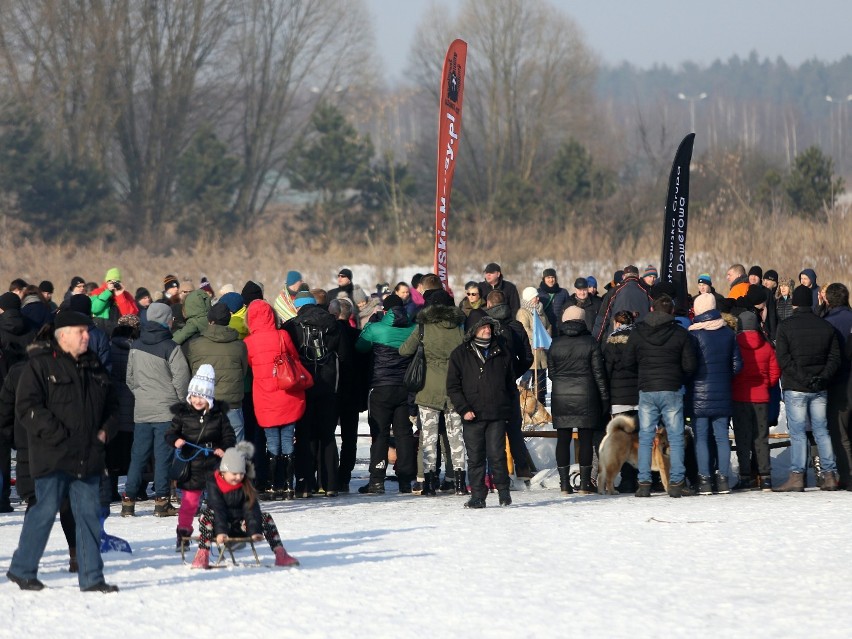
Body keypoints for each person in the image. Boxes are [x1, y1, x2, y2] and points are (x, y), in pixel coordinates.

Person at [6, 310, 119, 592]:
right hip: (53, 455)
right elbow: (27, 407)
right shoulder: (41, 366)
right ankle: (22, 569)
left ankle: (92, 578)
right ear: (63, 335)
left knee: (88, 516)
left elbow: (113, 406)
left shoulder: (94, 365)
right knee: (43, 512)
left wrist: (106, 431)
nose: (86, 336)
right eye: (81, 331)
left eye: (87, 331)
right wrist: (56, 434)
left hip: (89, 455)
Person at [623, 294, 697, 497]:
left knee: (646, 437)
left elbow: (627, 361)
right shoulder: (680, 333)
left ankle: (644, 483)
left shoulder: (638, 332)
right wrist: (678, 377)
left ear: (652, 310)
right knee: (675, 436)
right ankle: (677, 482)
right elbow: (690, 365)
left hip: (647, 389)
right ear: (672, 312)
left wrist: (643, 375)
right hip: (672, 389)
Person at [122, 302, 191, 517]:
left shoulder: (135, 346)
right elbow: (182, 381)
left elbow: (130, 379)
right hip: (166, 411)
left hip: (142, 410)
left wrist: (142, 396)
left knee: (138, 456)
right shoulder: (171, 347)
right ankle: (161, 501)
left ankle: (129, 501)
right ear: (166, 321)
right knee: (163, 457)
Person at [399, 286, 467, 496]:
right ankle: (459, 484)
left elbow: (404, 350)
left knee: (428, 439)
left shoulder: (422, 328)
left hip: (428, 389)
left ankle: (429, 484)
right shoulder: (459, 327)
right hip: (454, 388)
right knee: (456, 437)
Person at [773, 285, 841, 492]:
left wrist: (804, 378)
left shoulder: (785, 326)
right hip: (819, 387)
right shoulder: (826, 326)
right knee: (822, 430)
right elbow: (834, 357)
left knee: (798, 432)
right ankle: (829, 474)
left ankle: (797, 476)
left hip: (796, 386)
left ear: (794, 303)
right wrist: (821, 378)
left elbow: (784, 359)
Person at [189, 442, 299, 569]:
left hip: (240, 525)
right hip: (220, 527)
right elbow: (218, 509)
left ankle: (280, 553)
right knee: (207, 515)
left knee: (265, 517)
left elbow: (251, 508)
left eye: (241, 473)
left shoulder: (245, 484)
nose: (238, 477)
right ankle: (203, 554)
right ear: (224, 471)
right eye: (234, 474)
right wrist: (221, 532)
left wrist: (254, 530)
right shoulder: (214, 484)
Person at [447, 310, 516, 508]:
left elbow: (510, 383)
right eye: (483, 327)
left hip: (497, 412)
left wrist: (508, 406)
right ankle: (478, 496)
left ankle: (504, 492)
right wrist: (463, 409)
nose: (487, 330)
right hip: (472, 415)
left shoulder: (502, 350)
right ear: (473, 330)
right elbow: (453, 386)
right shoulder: (460, 354)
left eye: (489, 327)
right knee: (475, 457)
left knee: (497, 454)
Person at [166, 364, 235, 552]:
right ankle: (183, 533)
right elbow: (170, 434)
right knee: (189, 504)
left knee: (216, 504)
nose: (197, 400)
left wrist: (223, 448)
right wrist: (176, 441)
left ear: (209, 398)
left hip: (213, 465)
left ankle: (214, 532)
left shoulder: (219, 416)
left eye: (202, 396)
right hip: (191, 466)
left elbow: (229, 437)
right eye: (194, 396)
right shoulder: (182, 415)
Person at [245, 300, 307, 500]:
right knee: (288, 439)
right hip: (287, 393)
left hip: (264, 397)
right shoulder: (283, 335)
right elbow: (295, 357)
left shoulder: (249, 342)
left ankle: (273, 485)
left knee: (271, 441)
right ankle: (289, 485)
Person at [356, 293, 417, 494]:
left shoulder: (376, 328)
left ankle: (377, 479)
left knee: (379, 433)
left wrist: (369, 325)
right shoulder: (413, 328)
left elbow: (360, 347)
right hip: (405, 388)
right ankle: (406, 480)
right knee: (404, 434)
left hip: (381, 387)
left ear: (385, 311)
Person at [285, 292, 345, 497]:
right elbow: (343, 356)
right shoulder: (333, 324)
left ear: (298, 307)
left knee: (304, 435)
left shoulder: (292, 326)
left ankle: (305, 484)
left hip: (303, 386)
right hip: (329, 386)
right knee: (327, 436)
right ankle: (330, 484)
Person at [548, 306, 609, 495]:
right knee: (585, 441)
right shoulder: (591, 343)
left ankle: (564, 484)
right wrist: (605, 399)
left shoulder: (555, 344)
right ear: (583, 321)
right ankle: (584, 484)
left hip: (561, 397)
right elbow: (599, 374)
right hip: (586, 397)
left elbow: (551, 373)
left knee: (563, 440)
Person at [687, 293, 742, 495]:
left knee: (701, 438)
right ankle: (723, 479)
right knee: (721, 437)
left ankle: (705, 480)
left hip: (698, 394)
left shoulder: (693, 334)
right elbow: (737, 365)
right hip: (723, 392)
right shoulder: (728, 333)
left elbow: (689, 365)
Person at [731, 311, 781, 491]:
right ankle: (765, 477)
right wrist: (766, 384)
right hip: (761, 398)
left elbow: (732, 368)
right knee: (761, 438)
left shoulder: (735, 344)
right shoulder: (767, 346)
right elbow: (775, 371)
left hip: (739, 397)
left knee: (743, 439)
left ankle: (745, 477)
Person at [186, 302, 248, 442]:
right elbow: (243, 372)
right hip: (232, 404)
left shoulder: (195, 345)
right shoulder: (239, 346)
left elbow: (192, 369)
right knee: (235, 454)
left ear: (210, 321)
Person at [602, 310, 640, 493]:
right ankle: (642, 477)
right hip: (640, 397)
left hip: (619, 399)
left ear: (616, 323)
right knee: (639, 439)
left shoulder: (611, 343)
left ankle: (626, 480)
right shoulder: (640, 339)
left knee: (623, 440)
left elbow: (606, 372)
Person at [822, 283, 852, 488]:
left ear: (828, 300)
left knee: (840, 431)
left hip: (840, 382)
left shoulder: (828, 322)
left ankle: (847, 475)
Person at [593, 265, 653, 342]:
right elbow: (654, 313)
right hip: (640, 338)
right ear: (638, 276)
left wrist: (595, 341)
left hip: (617, 338)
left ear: (624, 276)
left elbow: (603, 319)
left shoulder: (614, 291)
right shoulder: (647, 292)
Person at [517, 286, 551, 406]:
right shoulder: (523, 312)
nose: (537, 298)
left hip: (541, 351)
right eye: (535, 297)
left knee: (540, 380)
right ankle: (524, 402)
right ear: (529, 298)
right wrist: (538, 337)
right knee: (527, 379)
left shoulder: (540, 310)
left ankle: (540, 402)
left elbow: (547, 325)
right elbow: (524, 329)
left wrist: (546, 336)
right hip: (530, 351)